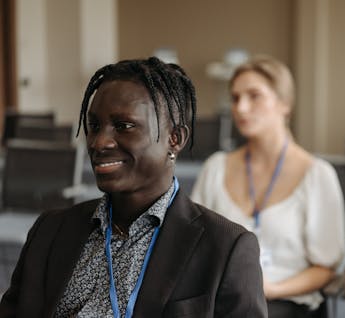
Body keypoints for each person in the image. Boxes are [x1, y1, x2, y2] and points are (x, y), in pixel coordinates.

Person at [0, 57, 268, 317]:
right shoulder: (50, 231)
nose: (99, 142)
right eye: (94, 126)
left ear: (175, 139)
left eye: (123, 126)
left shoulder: (225, 248)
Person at [191, 55, 345, 318]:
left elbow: (326, 268)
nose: (240, 108)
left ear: (284, 104)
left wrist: (272, 289)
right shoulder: (215, 168)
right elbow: (194, 244)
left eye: (254, 96)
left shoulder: (317, 175)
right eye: (235, 98)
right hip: (222, 301)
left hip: (286, 303)